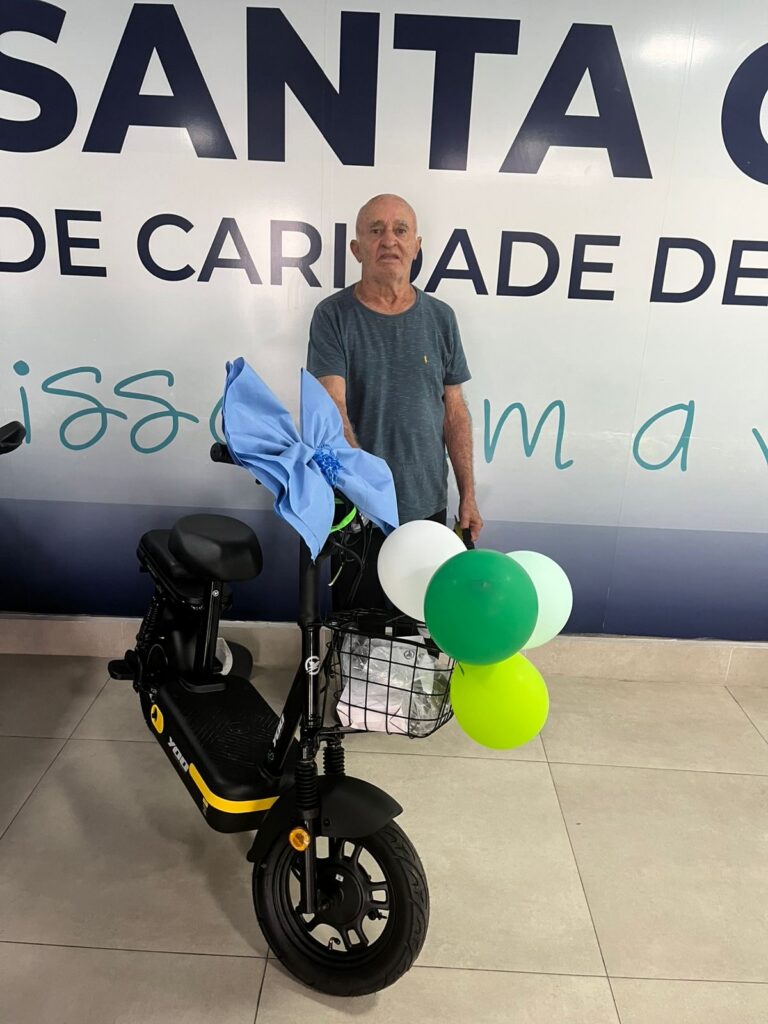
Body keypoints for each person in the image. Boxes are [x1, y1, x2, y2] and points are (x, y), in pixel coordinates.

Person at [307, 193, 483, 609]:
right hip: (360, 511)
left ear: (416, 246)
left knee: (419, 625)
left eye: (401, 230)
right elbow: (333, 410)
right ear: (357, 249)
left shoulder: (441, 318)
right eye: (376, 230)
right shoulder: (332, 316)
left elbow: (455, 414)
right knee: (358, 631)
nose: (390, 240)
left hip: (427, 506)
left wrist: (468, 494)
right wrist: (367, 492)